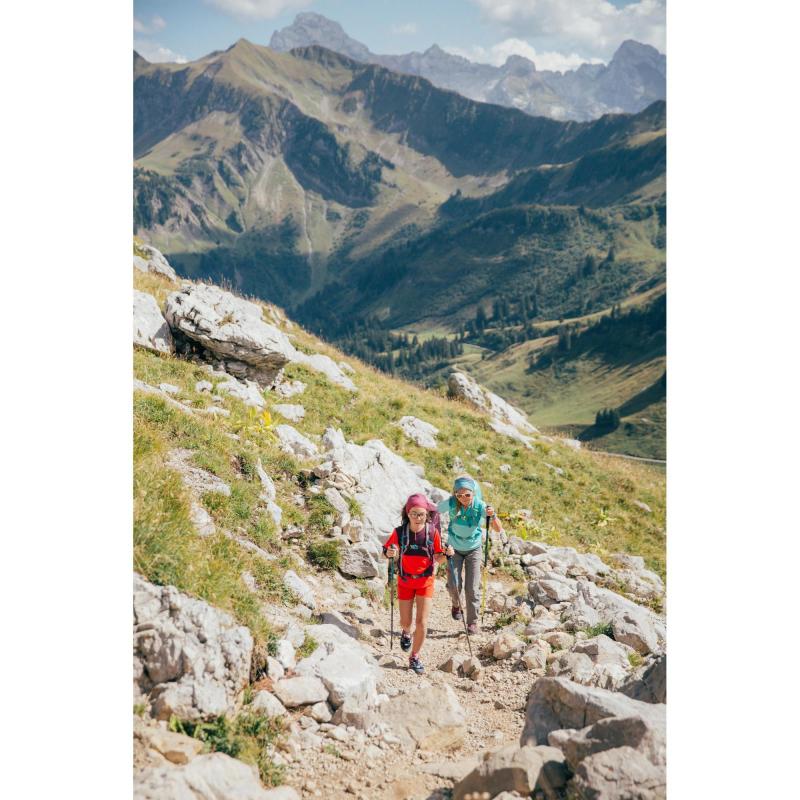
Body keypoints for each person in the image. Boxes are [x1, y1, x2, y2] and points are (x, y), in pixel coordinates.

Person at [383, 493, 454, 674]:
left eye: (421, 514)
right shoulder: (399, 532)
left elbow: (438, 558)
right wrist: (389, 553)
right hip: (405, 581)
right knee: (405, 622)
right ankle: (406, 633)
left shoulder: (432, 532)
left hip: (426, 582)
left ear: (427, 515)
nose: (417, 518)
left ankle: (414, 656)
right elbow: (386, 552)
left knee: (422, 622)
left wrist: (447, 555)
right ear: (408, 513)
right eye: (413, 513)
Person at [437, 475, 503, 634]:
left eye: (467, 494)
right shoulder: (452, 503)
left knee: (472, 588)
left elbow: (498, 528)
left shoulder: (480, 506)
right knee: (453, 584)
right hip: (453, 548)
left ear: (473, 493)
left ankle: (472, 622)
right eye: (459, 495)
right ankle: (456, 604)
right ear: (455, 494)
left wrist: (493, 515)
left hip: (474, 549)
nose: (463, 498)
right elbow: (434, 510)